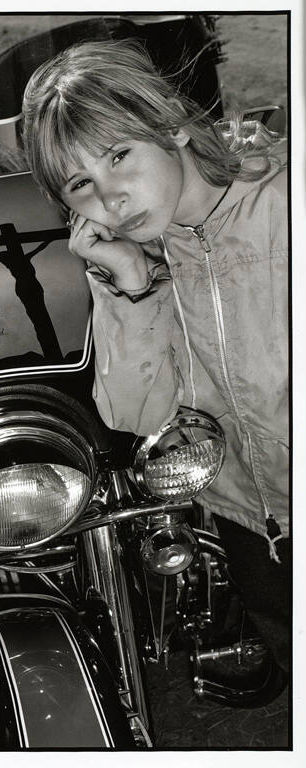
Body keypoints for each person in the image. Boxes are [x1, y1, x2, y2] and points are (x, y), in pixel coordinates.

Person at [22, 39, 290, 675]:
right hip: (254, 526)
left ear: (169, 123)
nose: (111, 199)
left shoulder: (285, 200)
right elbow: (140, 415)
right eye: (81, 184)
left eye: (120, 156)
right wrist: (132, 288)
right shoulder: (130, 257)